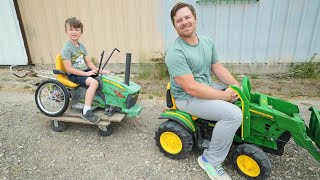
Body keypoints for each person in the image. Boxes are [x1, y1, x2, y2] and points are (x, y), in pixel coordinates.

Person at [165, 2, 243, 180]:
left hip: (205, 87)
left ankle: (225, 136)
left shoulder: (207, 42)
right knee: (233, 114)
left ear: (195, 18)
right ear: (174, 25)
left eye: (187, 17)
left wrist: (236, 85)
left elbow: (217, 68)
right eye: (179, 20)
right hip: (187, 98)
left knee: (239, 97)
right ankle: (210, 160)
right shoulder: (175, 53)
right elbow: (191, 88)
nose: (184, 22)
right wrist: (224, 96)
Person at [61, 17, 109, 123]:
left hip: (83, 71)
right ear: (66, 31)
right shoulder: (66, 49)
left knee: (102, 78)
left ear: (81, 32)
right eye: (71, 29)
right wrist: (86, 73)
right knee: (94, 82)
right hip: (74, 74)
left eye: (77, 30)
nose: (74, 32)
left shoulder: (82, 46)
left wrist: (99, 70)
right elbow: (69, 69)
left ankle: (102, 102)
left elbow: (89, 62)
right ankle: (86, 111)